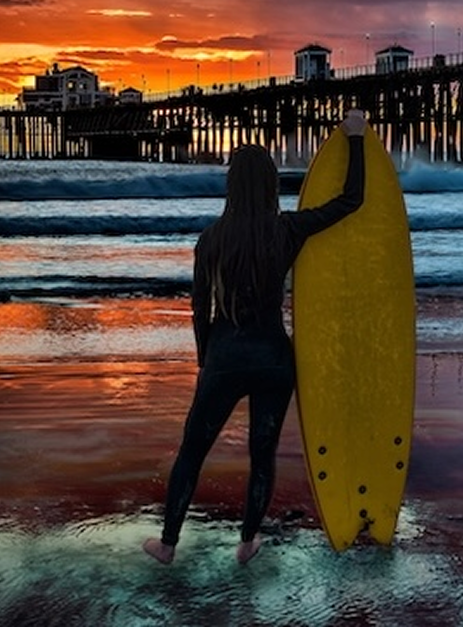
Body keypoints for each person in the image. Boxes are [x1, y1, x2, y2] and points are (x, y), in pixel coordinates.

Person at [144, 109, 368, 565]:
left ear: (230, 186)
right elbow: (351, 201)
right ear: (269, 185)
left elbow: (199, 308)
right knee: (261, 453)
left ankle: (168, 544)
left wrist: (207, 360)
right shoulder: (286, 230)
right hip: (273, 360)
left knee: (193, 450)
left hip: (225, 359)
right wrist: (357, 139)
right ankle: (247, 542)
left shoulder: (211, 239)